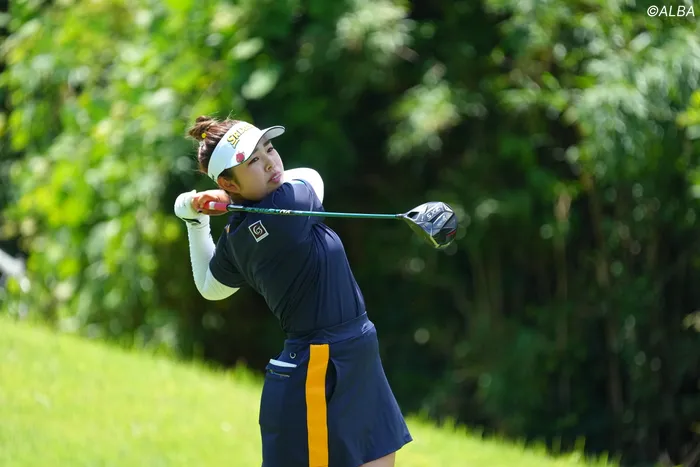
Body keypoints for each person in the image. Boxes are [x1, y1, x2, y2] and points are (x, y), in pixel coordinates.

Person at [173, 116, 413, 467]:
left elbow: (210, 286)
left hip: (354, 351)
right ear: (227, 181)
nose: (271, 163)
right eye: (253, 161)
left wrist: (195, 220)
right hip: (320, 365)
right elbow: (311, 176)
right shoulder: (288, 205)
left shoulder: (238, 235)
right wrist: (220, 202)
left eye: (269, 149)